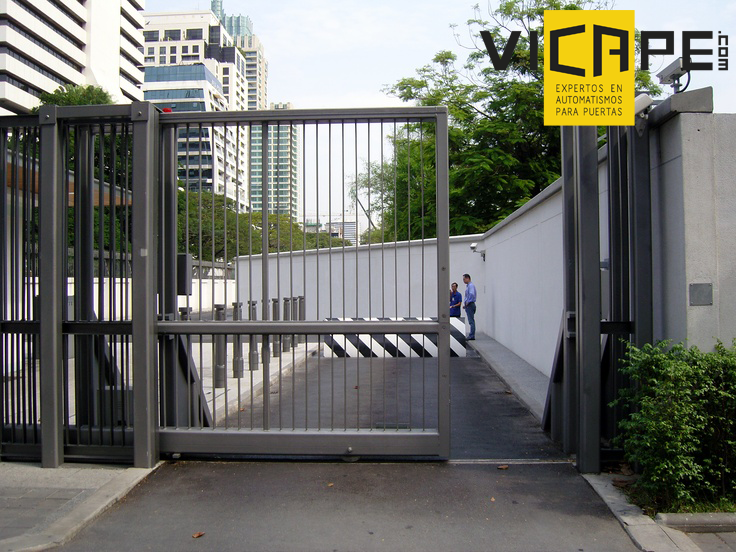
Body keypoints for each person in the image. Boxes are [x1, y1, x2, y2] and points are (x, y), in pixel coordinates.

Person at [462, 273, 476, 340]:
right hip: (469, 305)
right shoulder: (468, 286)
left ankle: (471, 335)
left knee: (471, 321)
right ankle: (471, 335)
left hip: (470, 305)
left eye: (464, 279)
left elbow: (471, 294)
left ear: (468, 278)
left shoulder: (470, 286)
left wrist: (468, 302)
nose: (463, 281)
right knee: (471, 320)